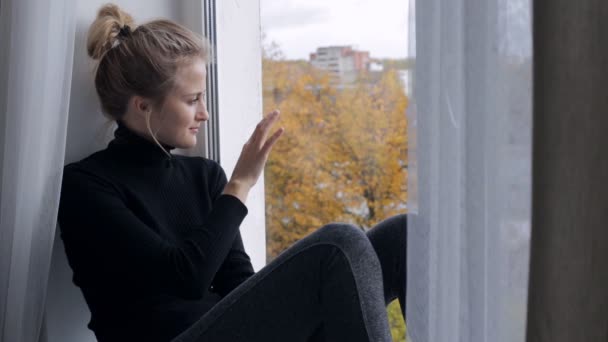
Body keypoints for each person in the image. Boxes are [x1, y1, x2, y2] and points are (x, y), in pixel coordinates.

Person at [57, 4, 406, 342]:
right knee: (339, 243)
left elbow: (241, 288)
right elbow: (185, 277)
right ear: (143, 105)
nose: (204, 113)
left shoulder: (204, 176)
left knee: (403, 235)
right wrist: (240, 185)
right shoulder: (87, 187)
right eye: (193, 100)